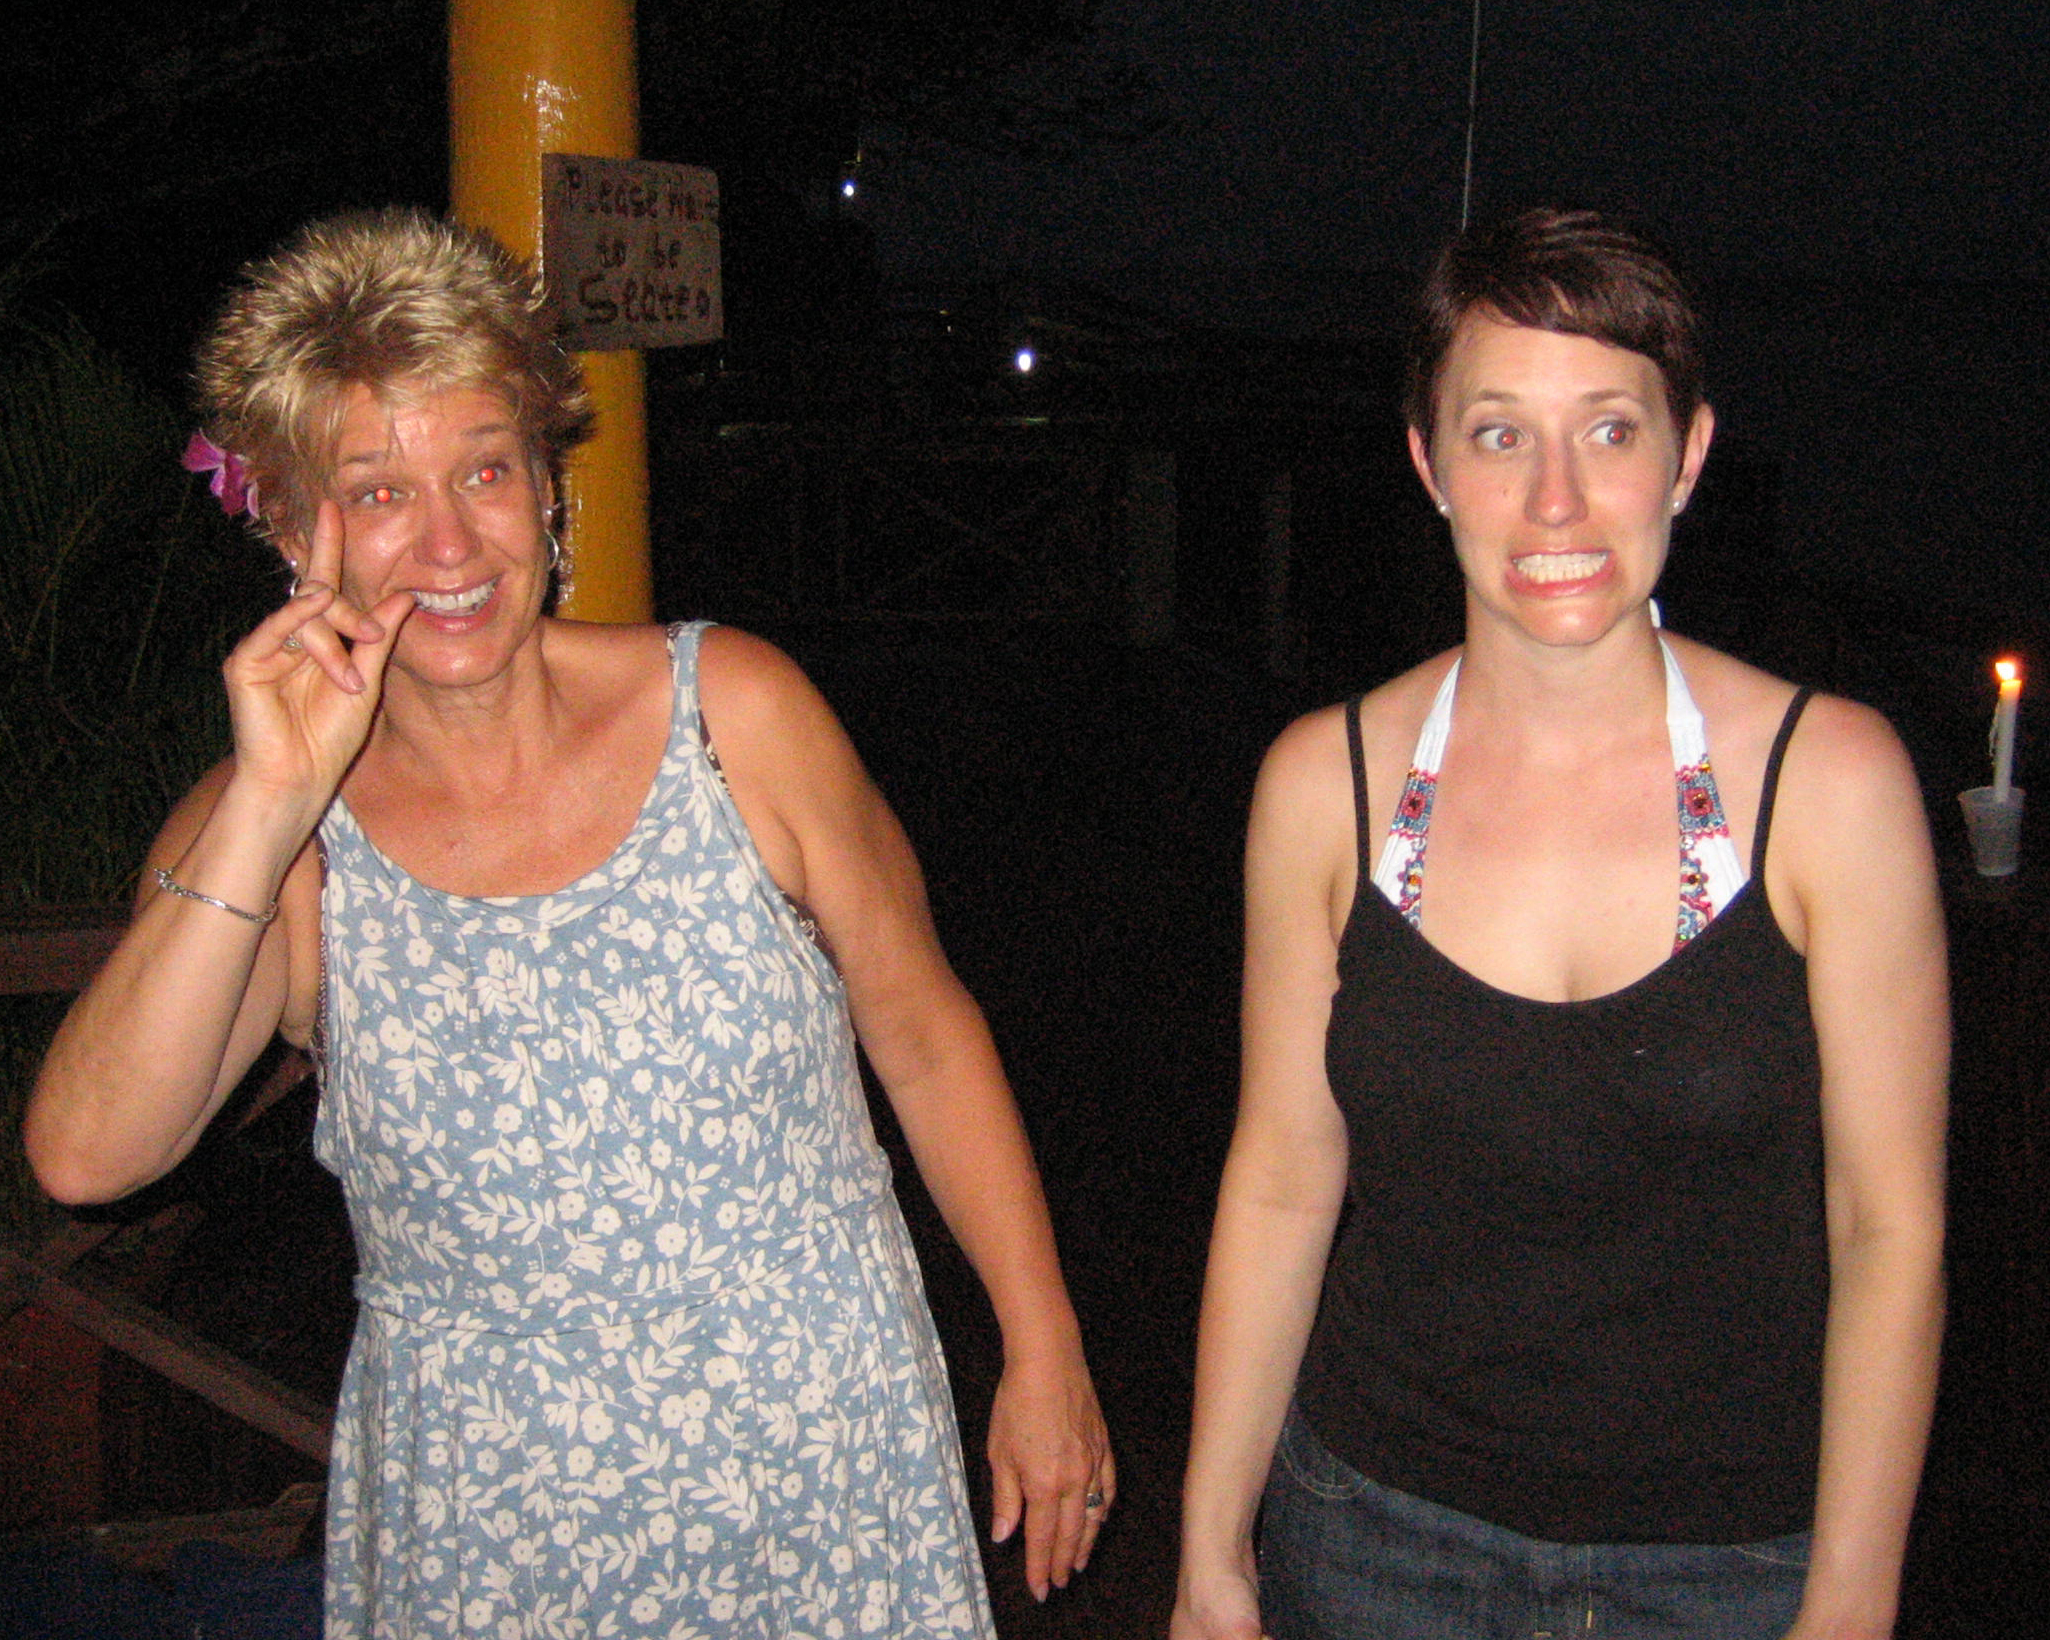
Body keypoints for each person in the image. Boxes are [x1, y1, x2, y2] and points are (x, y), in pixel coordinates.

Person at [26, 207, 1112, 1638]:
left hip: (818, 1455)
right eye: (377, 493)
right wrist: (270, 796)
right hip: (495, 1517)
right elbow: (88, 1155)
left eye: (485, 468)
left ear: (548, 483)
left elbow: (921, 1030)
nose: (450, 542)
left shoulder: (736, 713)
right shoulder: (276, 847)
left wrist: (1044, 1345)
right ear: (290, 530)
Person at [1172, 207, 1946, 1640]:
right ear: (1427, 464)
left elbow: (1887, 1224)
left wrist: (1850, 1593)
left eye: (1607, 429)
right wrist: (1211, 1548)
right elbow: (1281, 1178)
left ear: (1687, 454)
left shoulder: (1826, 784)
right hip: (1371, 1536)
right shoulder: (1327, 787)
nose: (1554, 503)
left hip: (1730, 1563)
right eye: (1497, 434)